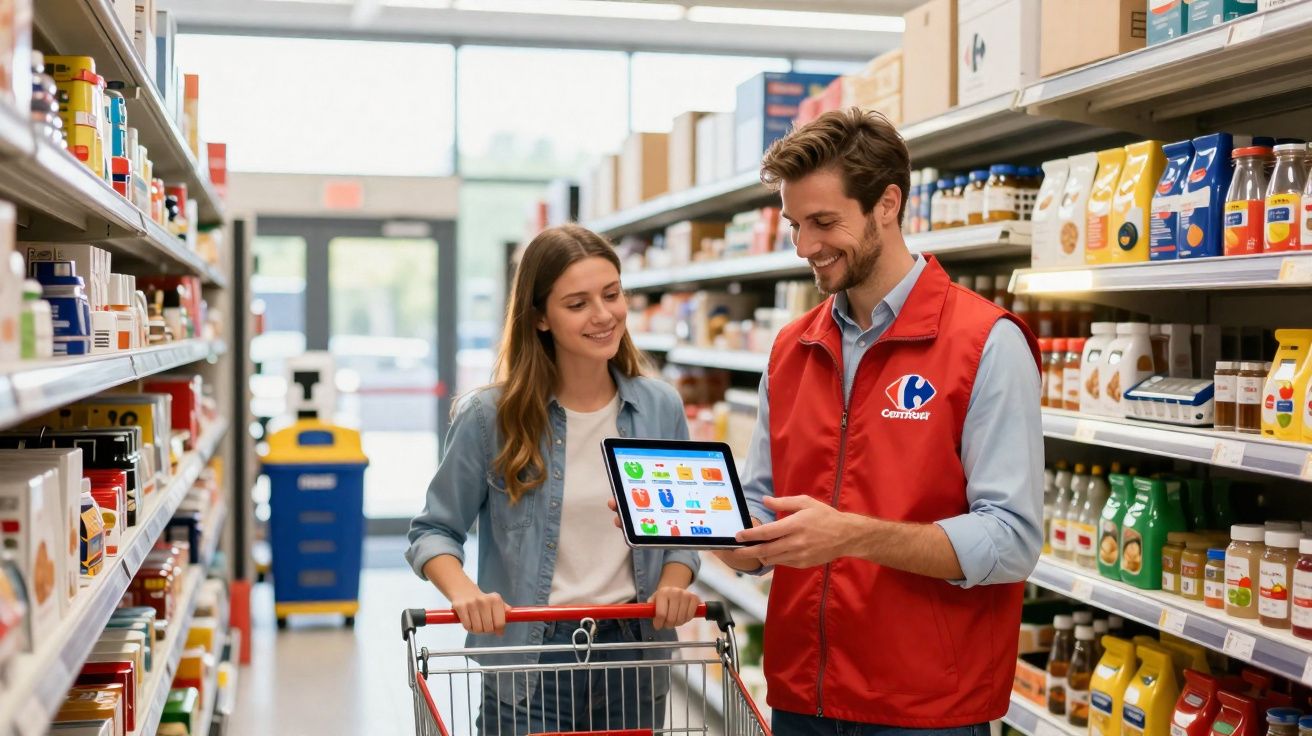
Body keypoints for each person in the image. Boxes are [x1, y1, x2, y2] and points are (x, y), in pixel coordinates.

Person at [719, 108, 1045, 733]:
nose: (805, 246)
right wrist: (704, 531)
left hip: (924, 709)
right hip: (801, 696)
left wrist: (853, 536)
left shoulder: (985, 342)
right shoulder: (792, 348)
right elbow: (764, 511)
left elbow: (1010, 541)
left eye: (823, 222)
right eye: (793, 224)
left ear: (888, 204)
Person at [406, 224, 702, 735]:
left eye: (612, 294)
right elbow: (433, 530)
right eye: (578, 303)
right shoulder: (490, 417)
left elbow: (682, 531)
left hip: (633, 650)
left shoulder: (658, 407)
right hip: (531, 654)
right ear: (540, 317)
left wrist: (675, 582)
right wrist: (465, 593)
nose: (604, 315)